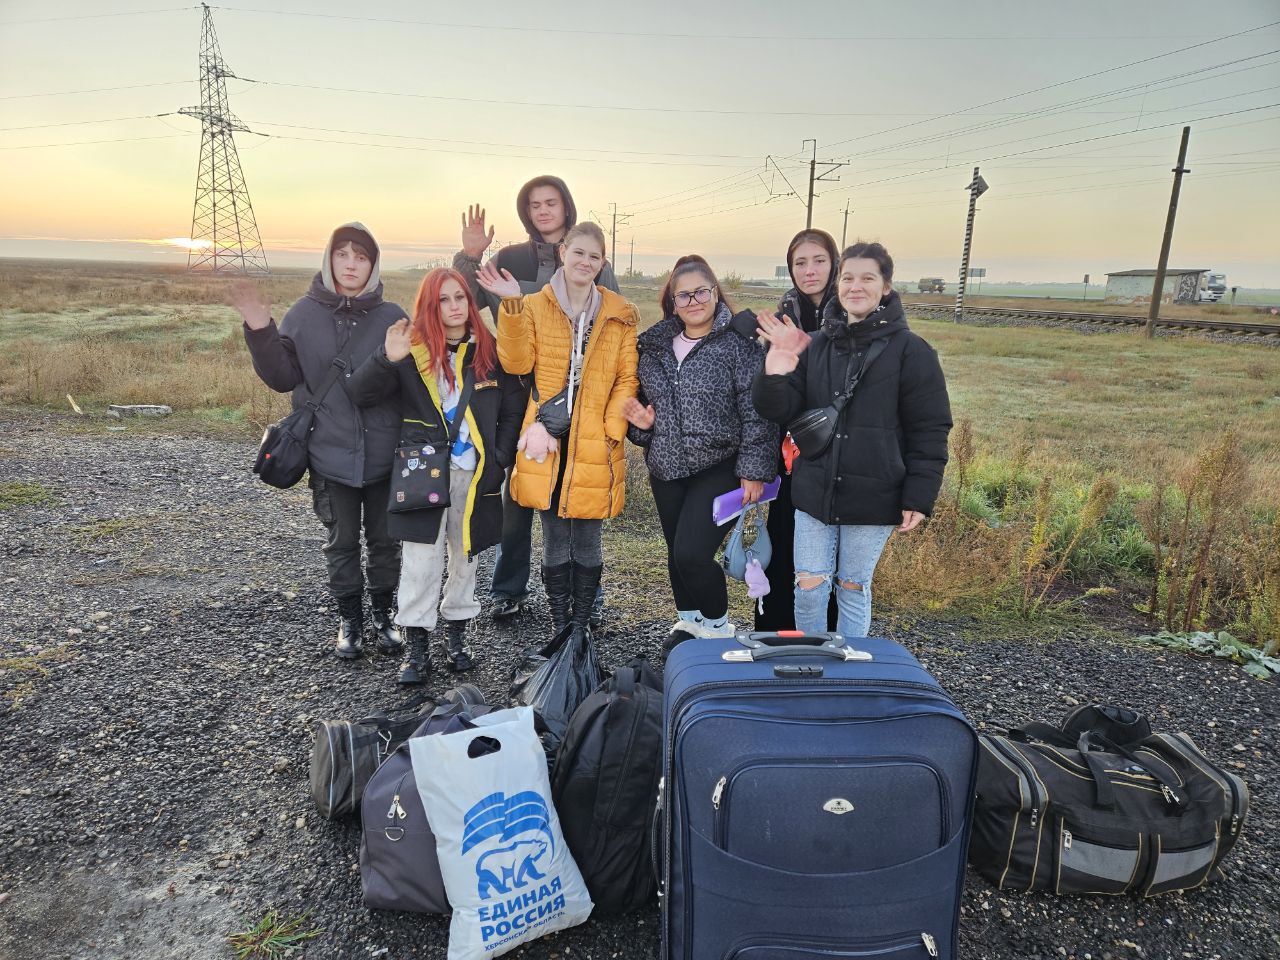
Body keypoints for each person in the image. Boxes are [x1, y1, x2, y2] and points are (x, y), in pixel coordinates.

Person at [751, 241, 952, 639]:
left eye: (867, 278)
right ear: (838, 285)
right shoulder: (818, 346)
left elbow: (930, 428)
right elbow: (780, 410)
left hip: (875, 494)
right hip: (813, 491)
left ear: (887, 287)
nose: (855, 287)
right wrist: (775, 370)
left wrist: (918, 495)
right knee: (808, 587)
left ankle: (851, 671)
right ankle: (812, 665)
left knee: (853, 588)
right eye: (847, 278)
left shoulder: (912, 351)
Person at [233, 223, 406, 660]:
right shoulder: (303, 314)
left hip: (385, 456)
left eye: (361, 256)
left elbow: (411, 382)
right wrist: (258, 327)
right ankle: (350, 619)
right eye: (342, 254)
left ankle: (384, 615)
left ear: (373, 264)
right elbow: (282, 377)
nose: (351, 264)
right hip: (328, 455)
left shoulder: (392, 316)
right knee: (342, 541)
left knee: (385, 542)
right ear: (329, 259)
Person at [454, 177, 620, 623]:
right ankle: (510, 588)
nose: (543, 210)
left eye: (551, 202)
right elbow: (465, 298)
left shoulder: (593, 262)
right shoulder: (509, 259)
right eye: (534, 204)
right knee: (521, 493)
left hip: (579, 400)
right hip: (519, 393)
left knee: (578, 497)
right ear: (525, 211)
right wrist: (470, 257)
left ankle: (588, 598)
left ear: (566, 207)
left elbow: (612, 330)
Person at [348, 268, 524, 683]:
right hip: (421, 471)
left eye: (459, 297)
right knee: (420, 559)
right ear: (430, 305)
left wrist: (498, 458)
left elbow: (513, 407)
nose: (453, 307)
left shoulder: (489, 353)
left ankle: (459, 636)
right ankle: (417, 645)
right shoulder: (411, 352)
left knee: (465, 555)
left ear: (469, 301)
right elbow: (361, 393)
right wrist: (385, 359)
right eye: (443, 300)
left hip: (474, 471)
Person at [477, 221, 638, 641]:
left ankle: (582, 624)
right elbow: (515, 363)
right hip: (546, 437)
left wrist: (611, 429)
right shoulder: (534, 305)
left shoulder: (620, 313)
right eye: (578, 252)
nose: (585, 262)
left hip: (594, 440)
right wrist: (511, 307)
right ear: (563, 251)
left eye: (594, 256)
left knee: (587, 538)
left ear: (603, 262)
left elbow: (627, 377)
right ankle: (559, 627)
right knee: (552, 538)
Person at [625, 255, 777, 648]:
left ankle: (718, 628)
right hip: (666, 468)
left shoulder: (739, 346)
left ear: (715, 293)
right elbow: (645, 412)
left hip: (720, 466)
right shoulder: (654, 348)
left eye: (701, 292)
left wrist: (754, 469)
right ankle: (688, 623)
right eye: (683, 295)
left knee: (693, 554)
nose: (693, 301)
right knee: (677, 555)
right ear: (672, 302)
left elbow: (757, 411)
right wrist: (641, 429)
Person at [733, 229, 842, 632]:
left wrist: (803, 344)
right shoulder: (784, 313)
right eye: (800, 262)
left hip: (838, 454)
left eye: (818, 260)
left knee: (829, 558)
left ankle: (825, 639)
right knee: (785, 544)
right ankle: (777, 634)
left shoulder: (851, 312)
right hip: (791, 453)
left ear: (834, 263)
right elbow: (771, 390)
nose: (809, 270)